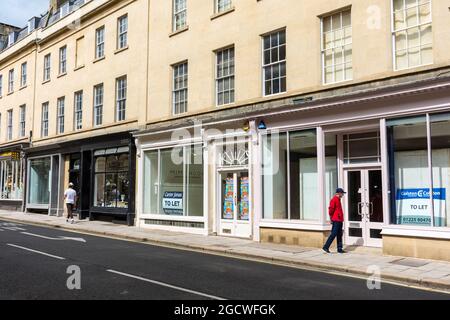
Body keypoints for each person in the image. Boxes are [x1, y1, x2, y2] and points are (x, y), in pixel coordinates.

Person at [323, 188, 346, 254]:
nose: (343, 195)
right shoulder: (334, 200)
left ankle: (339, 248)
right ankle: (326, 247)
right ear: (338, 193)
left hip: (339, 219)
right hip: (336, 220)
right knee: (333, 234)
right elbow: (330, 210)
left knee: (339, 234)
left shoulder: (338, 200)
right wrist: (331, 218)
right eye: (342, 193)